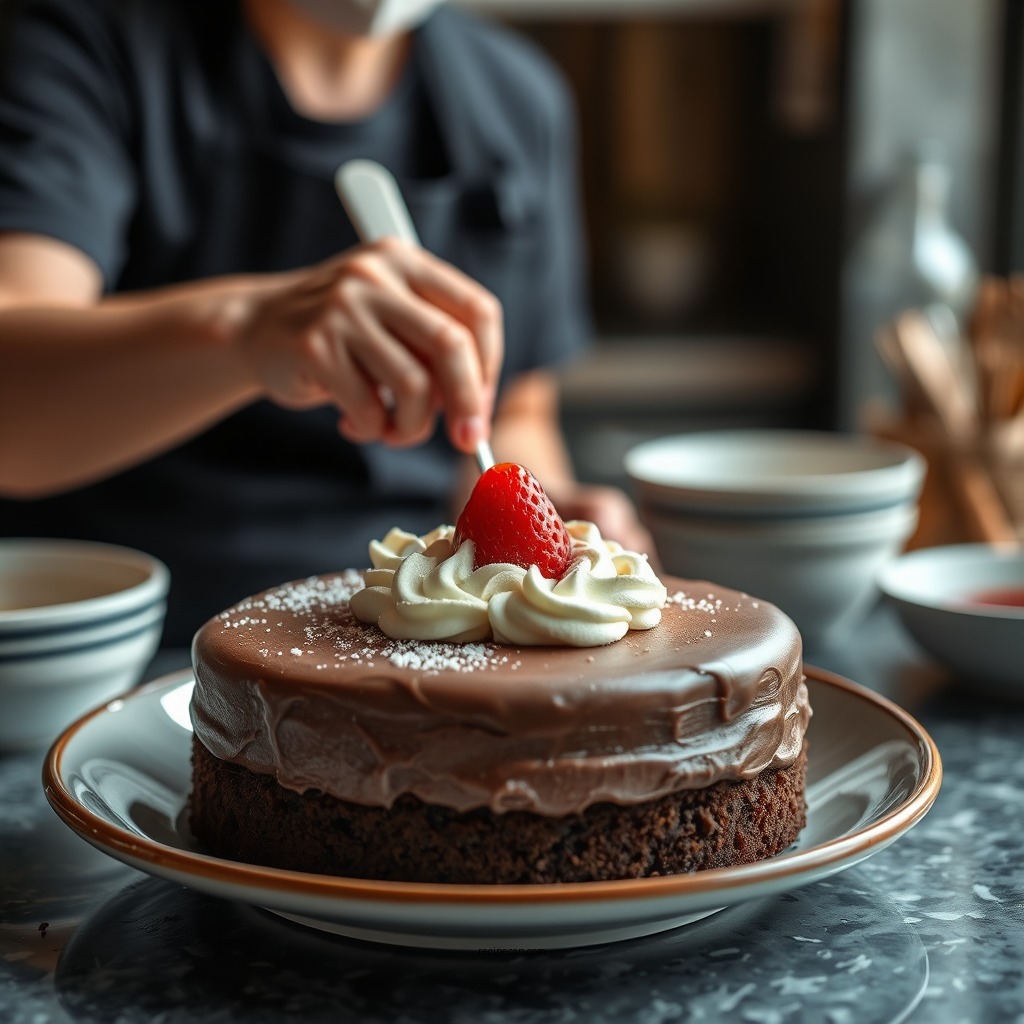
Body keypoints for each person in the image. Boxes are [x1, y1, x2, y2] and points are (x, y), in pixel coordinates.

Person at [0, 0, 651, 645]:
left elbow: (513, 412)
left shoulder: (516, 97)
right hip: (138, 641)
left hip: (408, 635)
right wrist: (249, 331)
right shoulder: (85, 49)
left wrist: (536, 520)